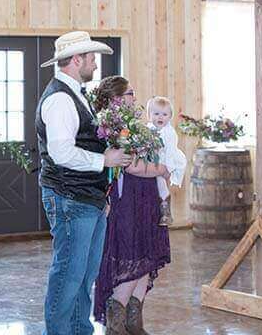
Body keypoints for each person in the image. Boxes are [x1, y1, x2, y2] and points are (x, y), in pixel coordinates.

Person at [36, 31, 133, 335]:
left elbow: (85, 145)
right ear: (76, 60)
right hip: (69, 196)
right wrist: (104, 161)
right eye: (91, 58)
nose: (94, 64)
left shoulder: (75, 94)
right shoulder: (61, 99)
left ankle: (79, 330)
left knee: (84, 274)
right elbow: (61, 152)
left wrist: (100, 193)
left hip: (86, 198)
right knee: (69, 272)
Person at [93, 76, 171, 335]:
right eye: (130, 93)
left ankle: (133, 323)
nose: (134, 98)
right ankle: (116, 326)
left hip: (145, 200)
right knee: (131, 256)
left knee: (145, 258)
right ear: (116, 98)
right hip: (127, 202)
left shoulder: (131, 124)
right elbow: (132, 165)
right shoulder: (111, 125)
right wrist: (162, 169)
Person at [145, 96, 187, 226]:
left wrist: (167, 169)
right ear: (149, 115)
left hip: (168, 159)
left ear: (170, 117)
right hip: (153, 158)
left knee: (161, 182)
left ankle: (165, 211)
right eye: (156, 114)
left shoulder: (169, 132)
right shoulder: (149, 128)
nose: (160, 117)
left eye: (164, 114)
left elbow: (170, 152)